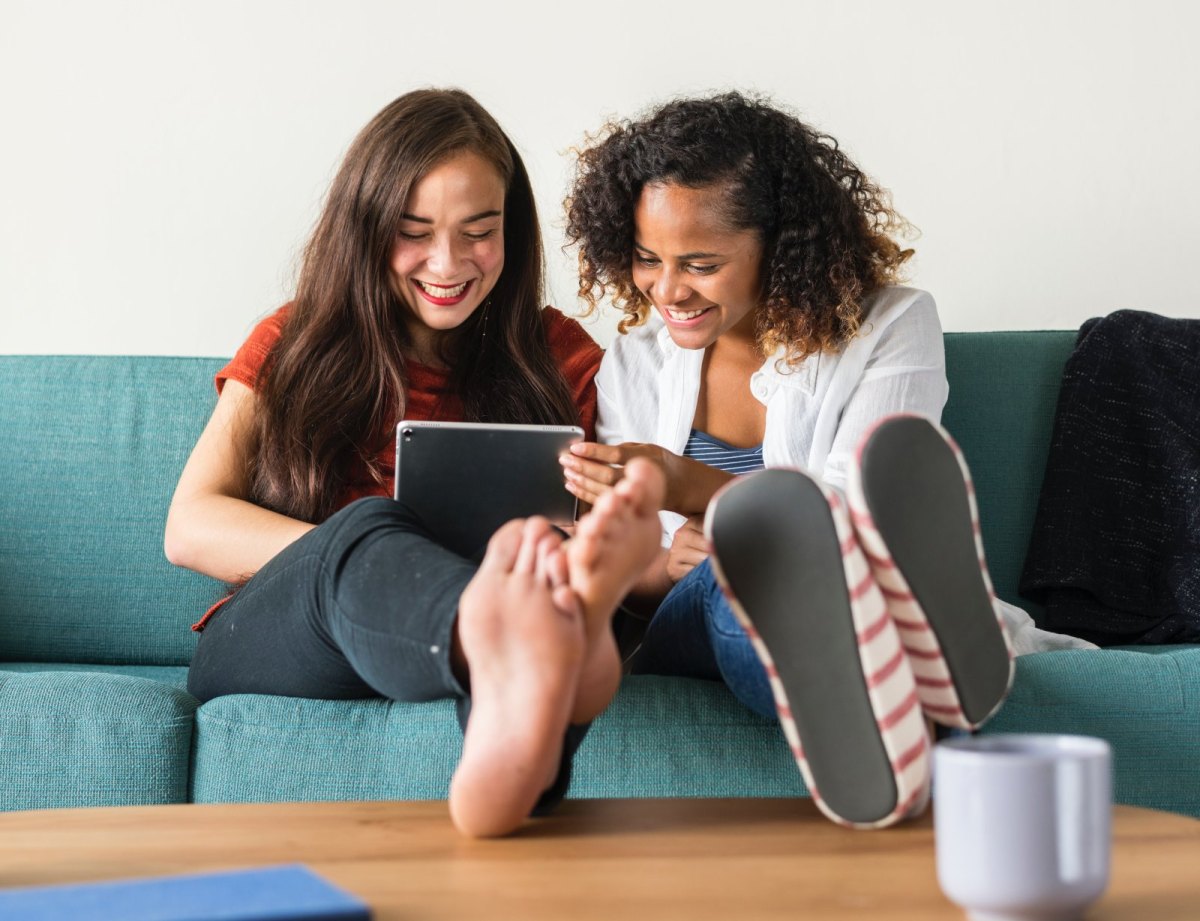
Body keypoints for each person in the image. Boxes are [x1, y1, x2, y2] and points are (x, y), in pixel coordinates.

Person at [164, 88, 663, 838]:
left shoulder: (560, 356)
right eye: (415, 232)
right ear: (366, 229)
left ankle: (519, 757)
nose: (448, 262)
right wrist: (387, 557)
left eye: (479, 232)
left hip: (480, 620)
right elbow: (190, 526)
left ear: (512, 231)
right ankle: (498, 623)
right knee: (372, 527)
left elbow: (599, 524)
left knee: (551, 558)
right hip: (288, 633)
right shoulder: (293, 339)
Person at [560, 92, 1015, 828]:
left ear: (779, 244)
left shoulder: (890, 326)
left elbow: (848, 518)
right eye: (648, 260)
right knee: (733, 581)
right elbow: (623, 570)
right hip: (700, 612)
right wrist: (662, 562)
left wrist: (695, 488)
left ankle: (897, 705)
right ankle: (923, 674)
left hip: (851, 580)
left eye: (701, 263)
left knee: (778, 564)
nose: (667, 289)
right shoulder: (634, 363)